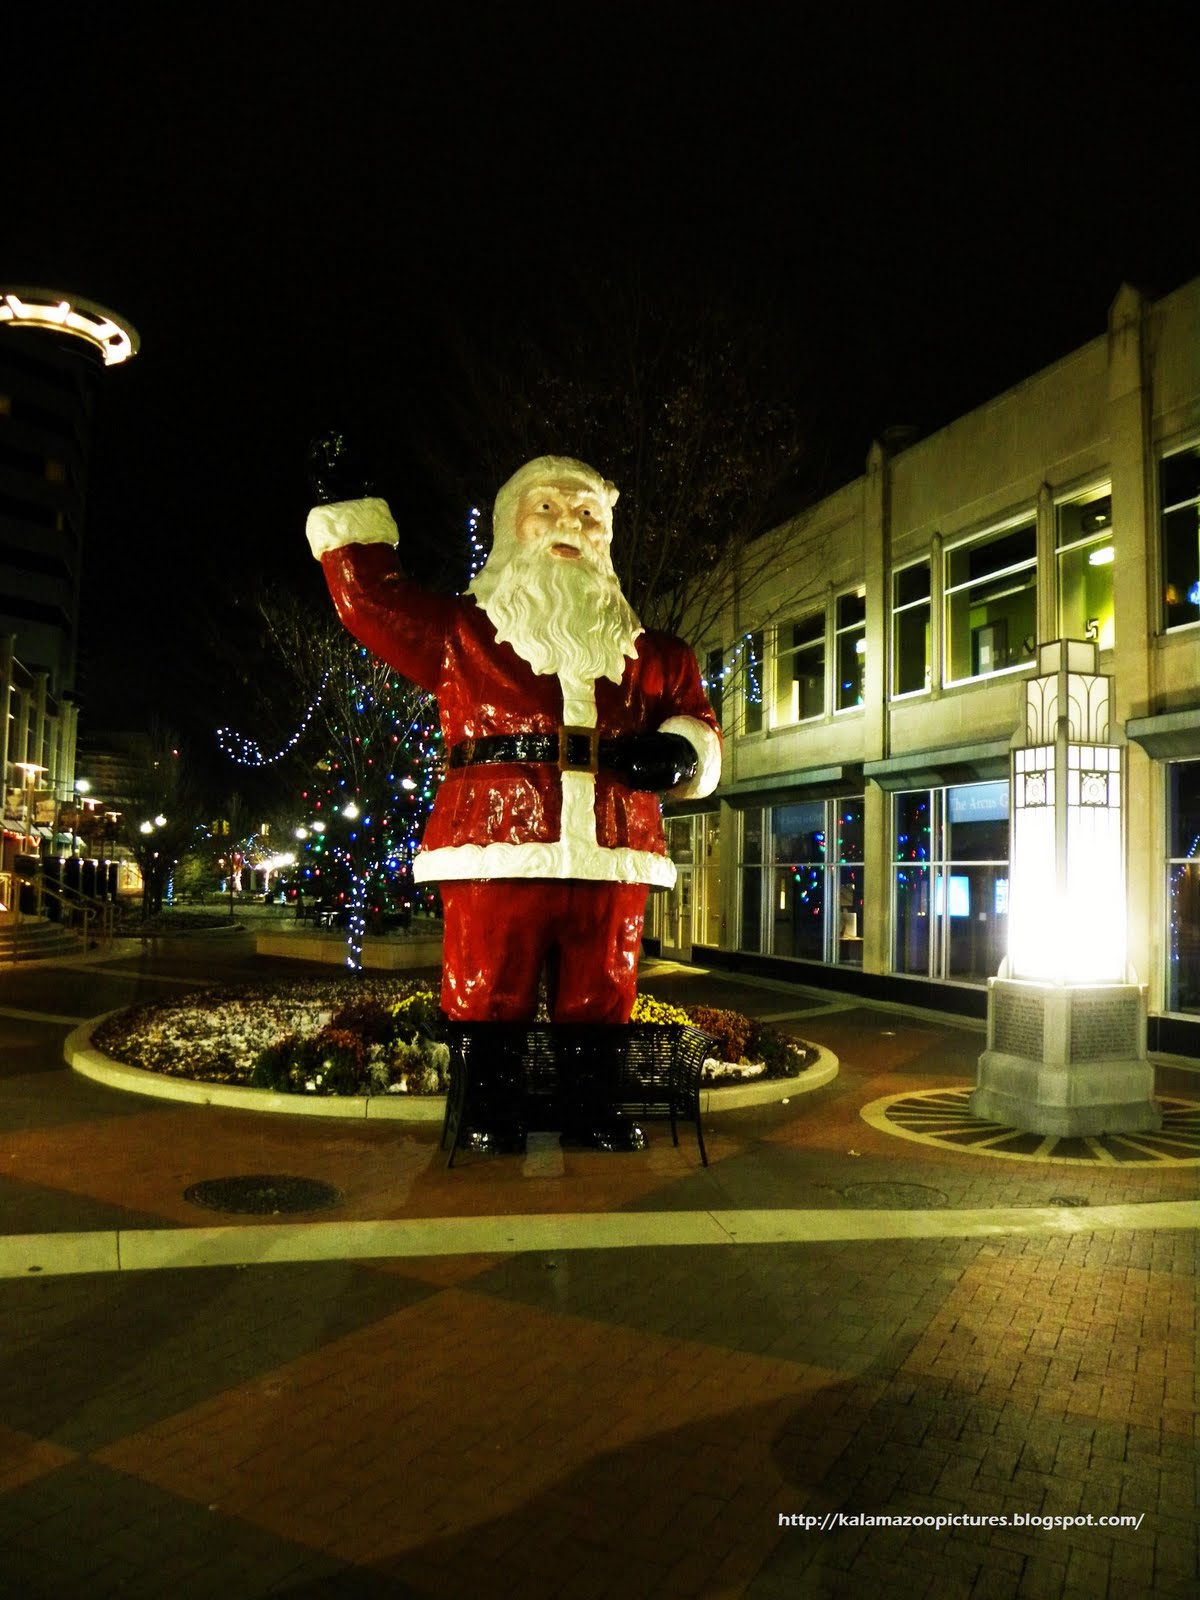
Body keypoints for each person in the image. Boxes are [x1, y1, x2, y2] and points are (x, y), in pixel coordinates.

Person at [306, 451, 721, 1024]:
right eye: (546, 507)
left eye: (587, 513)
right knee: (488, 997)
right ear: (510, 528)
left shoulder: (658, 657)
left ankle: (589, 1112)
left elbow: (696, 719)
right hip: (493, 850)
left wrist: (683, 751)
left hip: (612, 856)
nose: (569, 523)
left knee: (602, 1001)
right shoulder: (460, 636)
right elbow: (373, 602)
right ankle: (489, 1113)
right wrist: (348, 503)